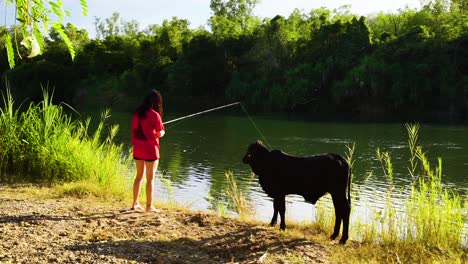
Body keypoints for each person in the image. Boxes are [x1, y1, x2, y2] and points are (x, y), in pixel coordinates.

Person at [131, 89, 165, 212]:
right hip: (150, 150)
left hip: (138, 149)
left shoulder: (137, 113)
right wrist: (162, 132)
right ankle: (149, 206)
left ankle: (134, 204)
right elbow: (159, 133)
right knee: (150, 179)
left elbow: (136, 130)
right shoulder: (155, 115)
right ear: (157, 102)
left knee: (138, 176)